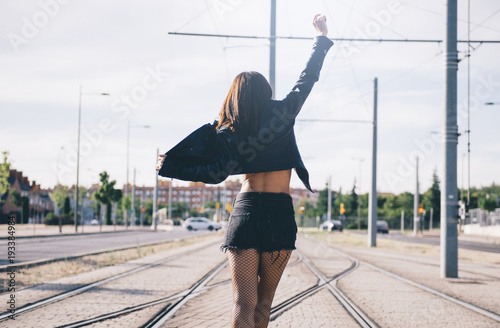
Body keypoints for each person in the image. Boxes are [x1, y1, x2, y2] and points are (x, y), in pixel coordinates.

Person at [156, 14, 332, 328]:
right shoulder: (283, 113)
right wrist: (320, 39)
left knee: (242, 304)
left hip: (247, 212)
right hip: (279, 213)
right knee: (263, 305)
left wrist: (171, 166)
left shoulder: (231, 129)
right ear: (266, 92)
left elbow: (213, 172)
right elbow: (307, 79)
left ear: (235, 96)